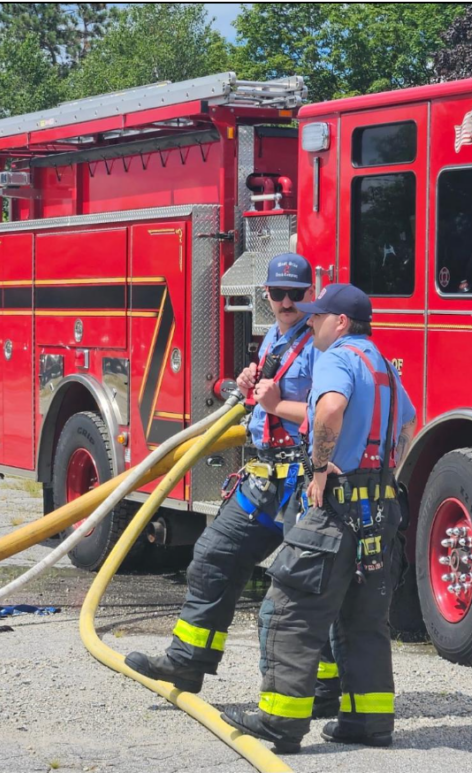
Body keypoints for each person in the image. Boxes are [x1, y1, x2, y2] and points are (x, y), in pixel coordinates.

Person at [126, 254, 336, 707]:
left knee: (302, 585)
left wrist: (277, 405)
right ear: (265, 295)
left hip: (303, 481)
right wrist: (249, 383)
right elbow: (265, 397)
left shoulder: (321, 345)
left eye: (296, 294)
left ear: (309, 296)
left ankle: (320, 687)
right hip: (264, 478)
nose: (286, 302)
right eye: (277, 294)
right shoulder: (272, 340)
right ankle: (188, 660)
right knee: (212, 555)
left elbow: (329, 418)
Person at [222, 283, 417, 754]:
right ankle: (368, 722)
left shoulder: (339, 358)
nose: (310, 323)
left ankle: (279, 723)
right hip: (380, 510)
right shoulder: (384, 367)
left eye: (317, 317)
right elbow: (409, 424)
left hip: (337, 508)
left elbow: (329, 409)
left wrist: (318, 468)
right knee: (363, 618)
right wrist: (381, 475)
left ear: (341, 322)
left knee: (287, 609)